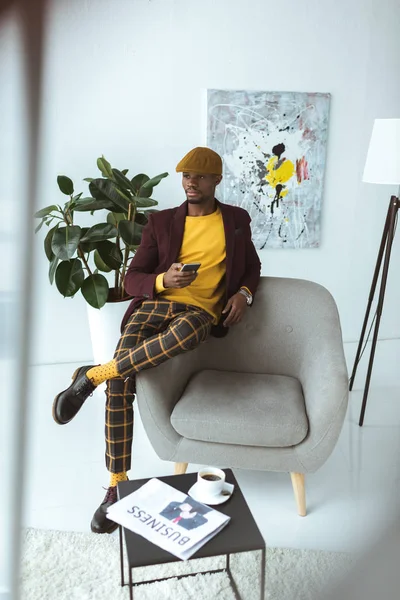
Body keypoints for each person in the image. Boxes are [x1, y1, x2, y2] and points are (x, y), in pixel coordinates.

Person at [52, 147, 261, 534]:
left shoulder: (235, 221)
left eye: (199, 176)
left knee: (187, 332)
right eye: (185, 175)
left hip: (198, 315)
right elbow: (132, 279)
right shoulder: (161, 222)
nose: (190, 182)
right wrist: (165, 281)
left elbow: (252, 266)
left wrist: (244, 294)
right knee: (121, 383)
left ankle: (93, 375)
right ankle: (116, 486)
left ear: (216, 180)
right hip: (154, 307)